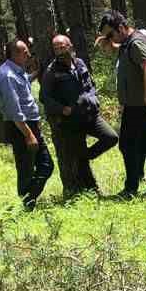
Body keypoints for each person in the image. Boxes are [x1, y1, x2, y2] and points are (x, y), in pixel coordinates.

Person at [97, 10, 146, 198]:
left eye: (110, 34)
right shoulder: (128, 42)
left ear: (121, 27)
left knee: (128, 145)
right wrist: (109, 42)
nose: (110, 38)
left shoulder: (136, 42)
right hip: (134, 105)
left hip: (140, 106)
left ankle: (132, 187)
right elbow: (125, 53)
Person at [40, 33, 118, 194]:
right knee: (80, 158)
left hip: (90, 115)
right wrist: (62, 109)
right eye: (56, 48)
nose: (60, 50)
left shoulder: (80, 63)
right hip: (72, 120)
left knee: (111, 137)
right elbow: (44, 97)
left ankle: (86, 156)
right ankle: (92, 190)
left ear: (70, 46)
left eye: (62, 46)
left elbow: (90, 84)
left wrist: (93, 98)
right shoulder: (51, 71)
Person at [0, 39, 54, 209]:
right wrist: (28, 135)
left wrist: (37, 72)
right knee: (26, 167)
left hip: (29, 125)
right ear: (15, 54)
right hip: (20, 127)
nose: (28, 55)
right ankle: (26, 204)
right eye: (25, 52)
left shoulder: (16, 71)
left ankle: (27, 200)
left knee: (45, 165)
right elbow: (14, 110)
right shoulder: (6, 75)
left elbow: (25, 82)